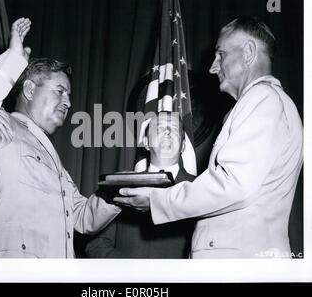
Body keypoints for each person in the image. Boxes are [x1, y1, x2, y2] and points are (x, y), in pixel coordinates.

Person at [114, 16, 303, 258]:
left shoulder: (262, 99)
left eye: (220, 55)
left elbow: (234, 186)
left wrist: (156, 200)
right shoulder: (275, 103)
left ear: (248, 52)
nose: (213, 67)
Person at [0, 18, 121, 258]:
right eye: (60, 92)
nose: (69, 102)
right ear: (29, 90)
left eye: (69, 95)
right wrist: (14, 59)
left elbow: (82, 217)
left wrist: (118, 193)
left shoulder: (55, 162)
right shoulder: (3, 127)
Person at [86, 112, 195, 258]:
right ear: (145, 142)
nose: (167, 132)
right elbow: (96, 244)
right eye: (159, 127)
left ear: (183, 145)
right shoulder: (119, 185)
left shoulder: (199, 188)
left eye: (174, 128)